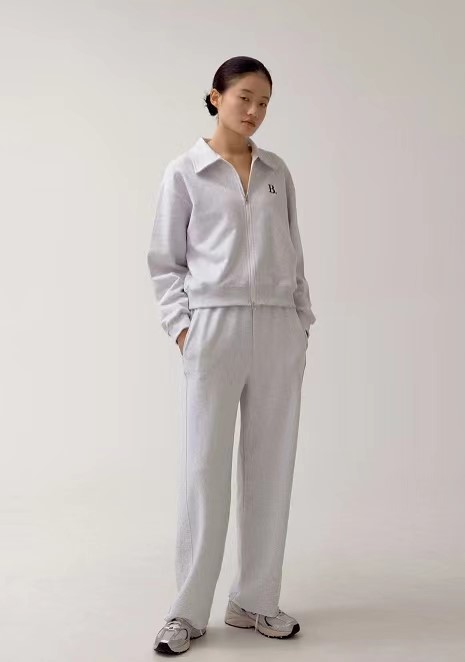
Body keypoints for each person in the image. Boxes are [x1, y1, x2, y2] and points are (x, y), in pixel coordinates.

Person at [147, 55, 316, 655]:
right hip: (212, 326)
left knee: (271, 466)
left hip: (276, 328)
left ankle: (255, 600)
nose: (255, 111)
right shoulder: (185, 172)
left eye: (264, 102)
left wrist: (300, 320)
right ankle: (187, 611)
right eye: (245, 97)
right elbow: (165, 262)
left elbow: (293, 249)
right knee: (204, 469)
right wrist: (183, 329)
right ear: (216, 97)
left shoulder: (276, 171)